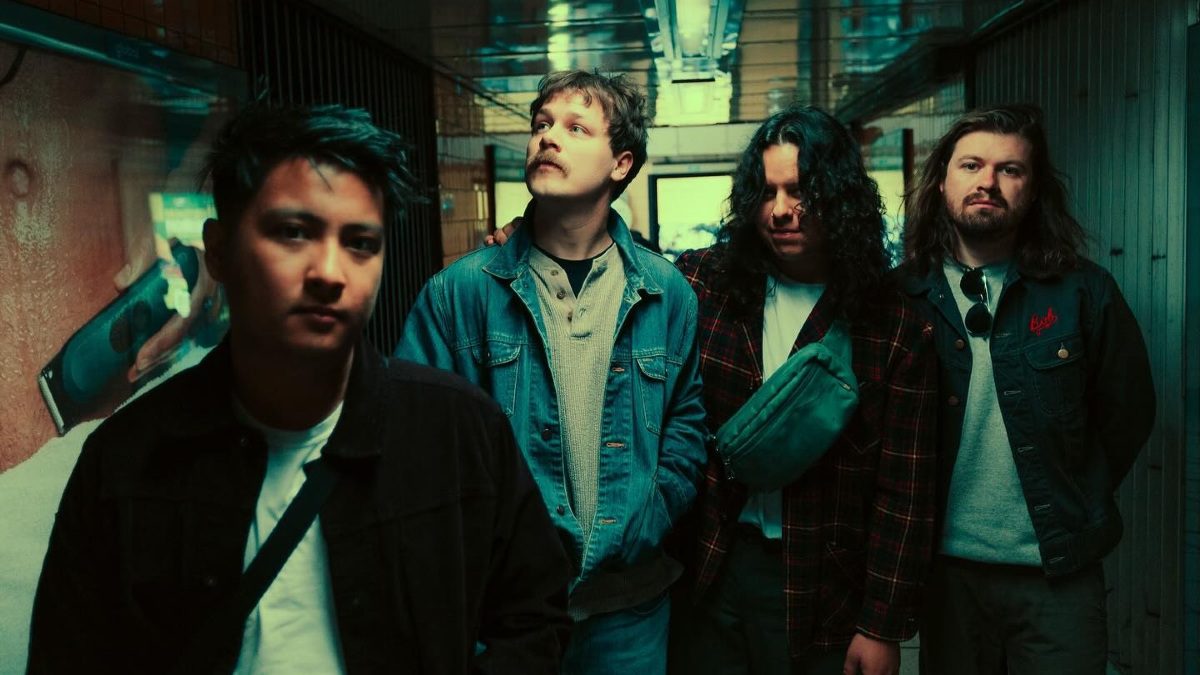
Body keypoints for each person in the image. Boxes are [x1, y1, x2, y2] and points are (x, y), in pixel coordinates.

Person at [28, 103, 572, 674]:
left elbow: (535, 617)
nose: (329, 273)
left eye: (360, 243)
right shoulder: (128, 459)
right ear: (219, 251)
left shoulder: (457, 431)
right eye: (293, 233)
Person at [397, 70, 707, 674]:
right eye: (541, 124)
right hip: (503, 612)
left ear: (621, 164)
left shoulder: (666, 292)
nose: (548, 137)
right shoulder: (461, 292)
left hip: (629, 608)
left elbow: (686, 424)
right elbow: (419, 440)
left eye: (575, 127)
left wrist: (652, 513)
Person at [668, 106, 938, 675]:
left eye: (800, 191)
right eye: (767, 193)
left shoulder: (891, 327)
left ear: (839, 198)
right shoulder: (703, 285)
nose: (781, 210)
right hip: (713, 564)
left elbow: (905, 491)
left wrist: (881, 626)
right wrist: (531, 236)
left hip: (825, 580)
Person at [897, 104, 1155, 675]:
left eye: (1009, 170)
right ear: (942, 181)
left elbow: (1128, 411)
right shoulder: (901, 298)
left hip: (1057, 572)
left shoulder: (1082, 291)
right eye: (971, 165)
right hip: (945, 576)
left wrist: (1075, 491)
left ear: (1033, 190)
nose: (987, 182)